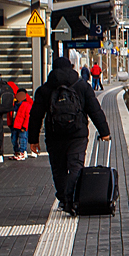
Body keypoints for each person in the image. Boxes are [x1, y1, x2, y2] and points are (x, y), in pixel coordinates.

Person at [28, 55, 110, 214]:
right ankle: (72, 198)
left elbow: (35, 116)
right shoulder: (82, 86)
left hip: (54, 135)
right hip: (77, 134)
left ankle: (64, 199)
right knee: (76, 166)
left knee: (58, 169)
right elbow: (95, 110)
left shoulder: (45, 89)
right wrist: (104, 132)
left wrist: (33, 139)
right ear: (71, 68)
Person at [11, 89, 33, 160]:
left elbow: (27, 117)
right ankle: (17, 152)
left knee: (22, 139)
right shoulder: (14, 104)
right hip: (14, 125)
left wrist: (24, 126)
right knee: (14, 139)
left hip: (21, 126)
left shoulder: (26, 105)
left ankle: (22, 152)